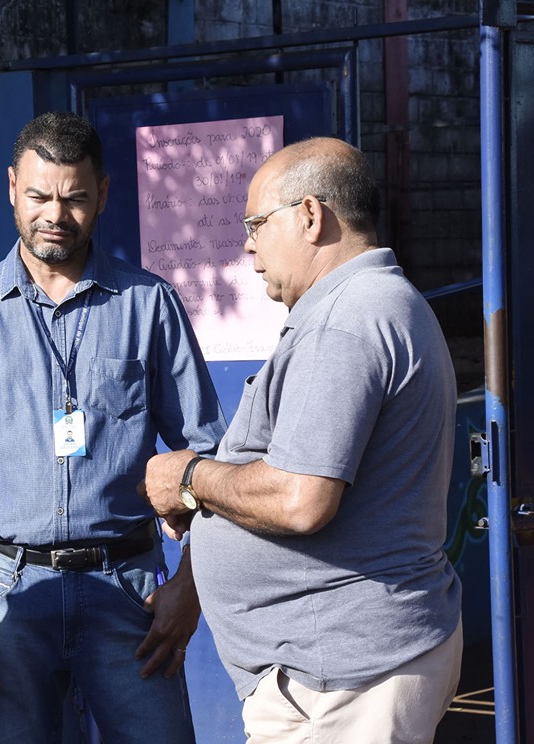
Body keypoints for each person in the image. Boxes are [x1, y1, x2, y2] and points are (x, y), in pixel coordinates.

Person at [0, 111, 227, 742]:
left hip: (128, 593)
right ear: (10, 190)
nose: (55, 213)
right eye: (39, 195)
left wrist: (191, 585)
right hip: (8, 598)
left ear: (102, 194)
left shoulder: (149, 305)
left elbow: (208, 456)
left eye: (75, 197)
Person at [143, 137, 463, 743]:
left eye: (256, 224)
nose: (248, 245)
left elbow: (300, 499)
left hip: (347, 673)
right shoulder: (367, 305)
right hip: (337, 665)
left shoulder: (348, 319)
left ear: (310, 216)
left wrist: (189, 478)